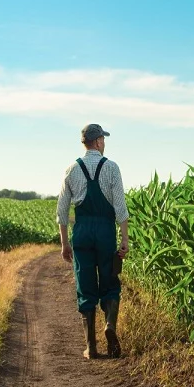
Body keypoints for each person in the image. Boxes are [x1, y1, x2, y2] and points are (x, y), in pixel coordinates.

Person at [56, 123, 129, 359]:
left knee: (85, 285)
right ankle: (109, 324)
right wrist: (124, 239)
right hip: (105, 231)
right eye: (103, 140)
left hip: (83, 231)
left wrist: (65, 243)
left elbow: (62, 210)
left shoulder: (71, 170)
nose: (104, 144)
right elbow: (120, 206)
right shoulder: (111, 168)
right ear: (97, 142)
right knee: (109, 280)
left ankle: (92, 347)